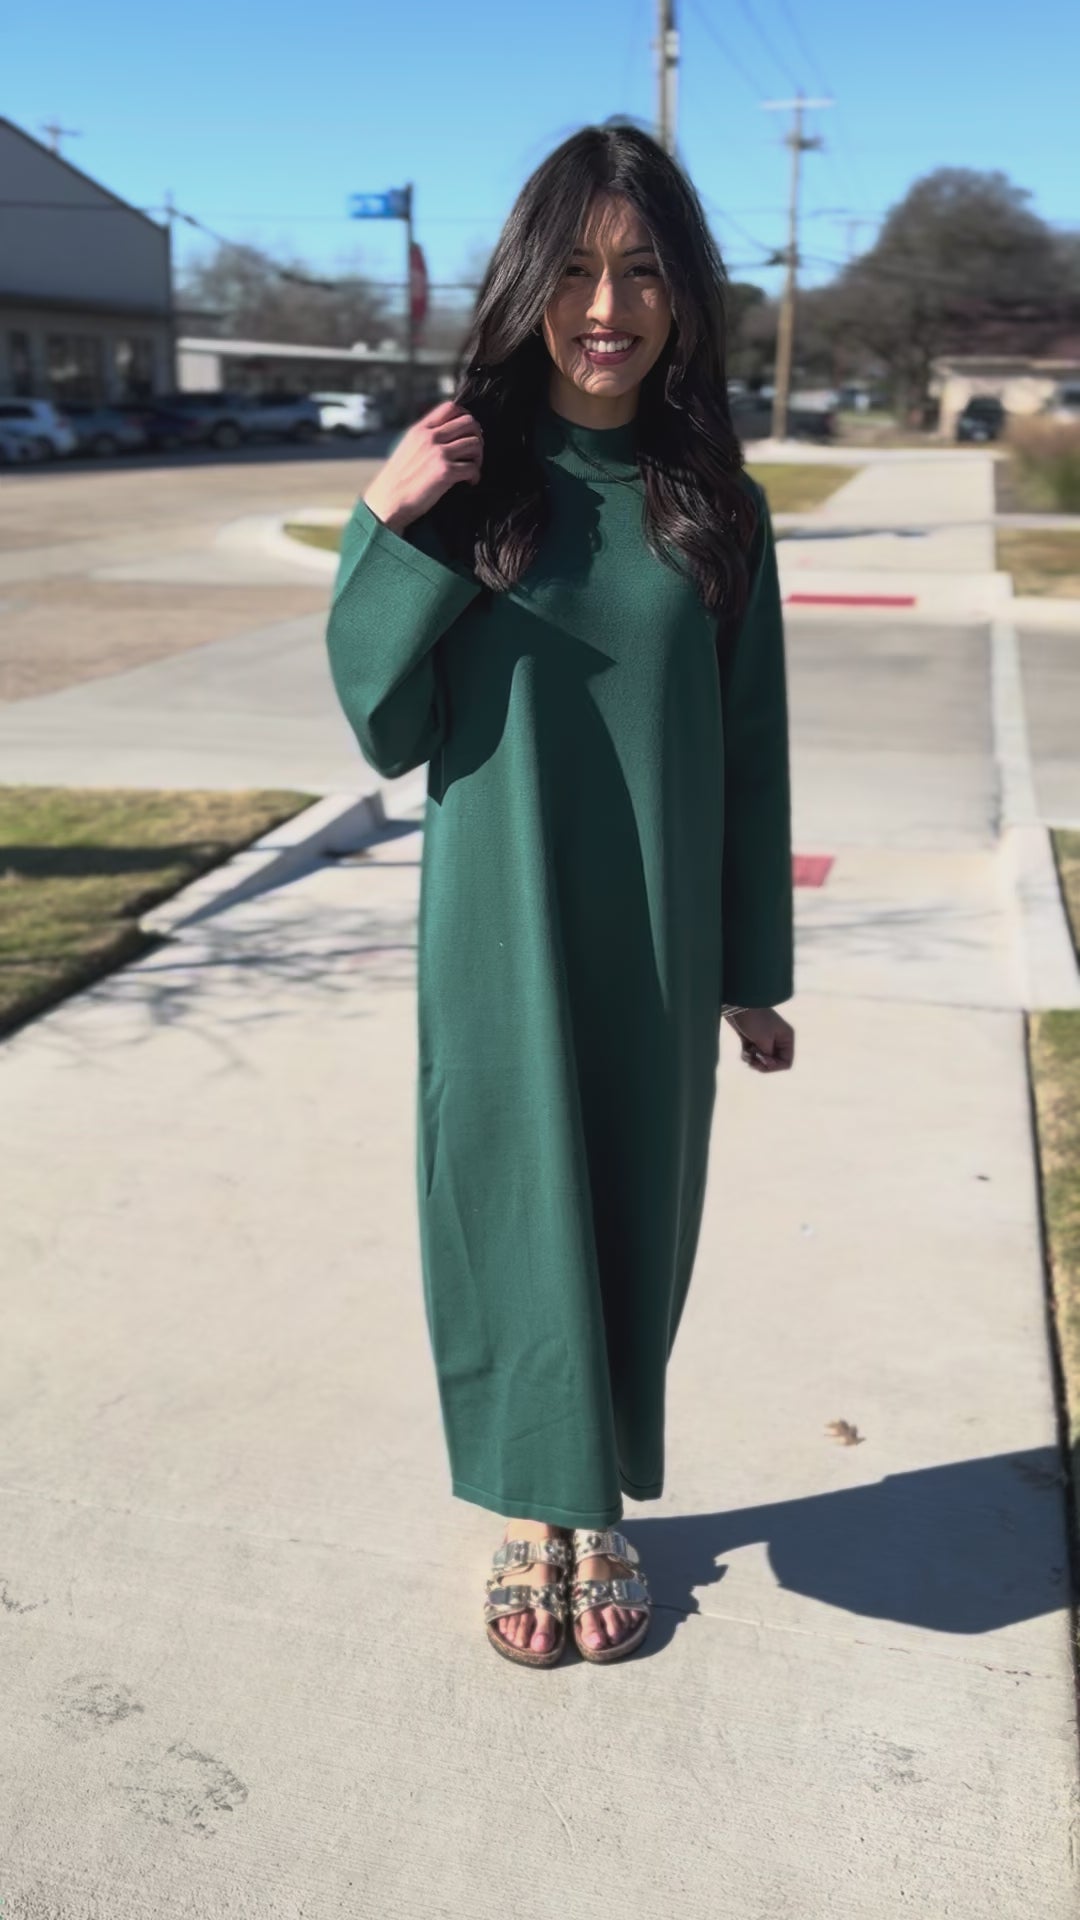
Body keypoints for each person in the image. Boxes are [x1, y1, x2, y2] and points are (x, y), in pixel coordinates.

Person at [324, 119, 796, 1669]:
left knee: (631, 1221)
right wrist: (382, 525)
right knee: (514, 1212)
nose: (610, 306)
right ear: (530, 283)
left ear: (686, 299)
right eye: (579, 270)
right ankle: (539, 1514)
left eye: (644, 270)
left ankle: (600, 1503)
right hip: (497, 929)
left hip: (656, 942)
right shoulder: (469, 480)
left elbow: (748, 755)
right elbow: (385, 726)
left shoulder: (714, 505)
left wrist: (753, 968)